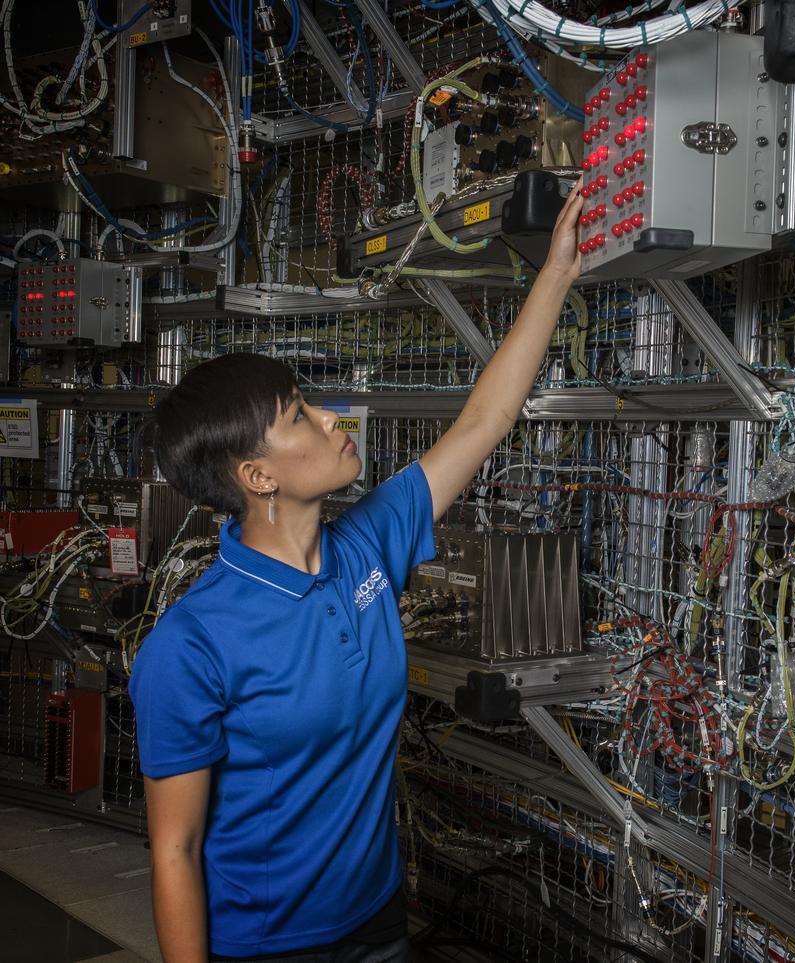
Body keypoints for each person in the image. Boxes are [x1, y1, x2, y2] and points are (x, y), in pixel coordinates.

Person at [128, 182, 584, 962]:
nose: (332, 416)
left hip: (376, 920)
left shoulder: (367, 544)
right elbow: (175, 850)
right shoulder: (192, 644)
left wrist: (558, 273)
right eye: (300, 415)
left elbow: (486, 419)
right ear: (257, 477)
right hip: (267, 947)